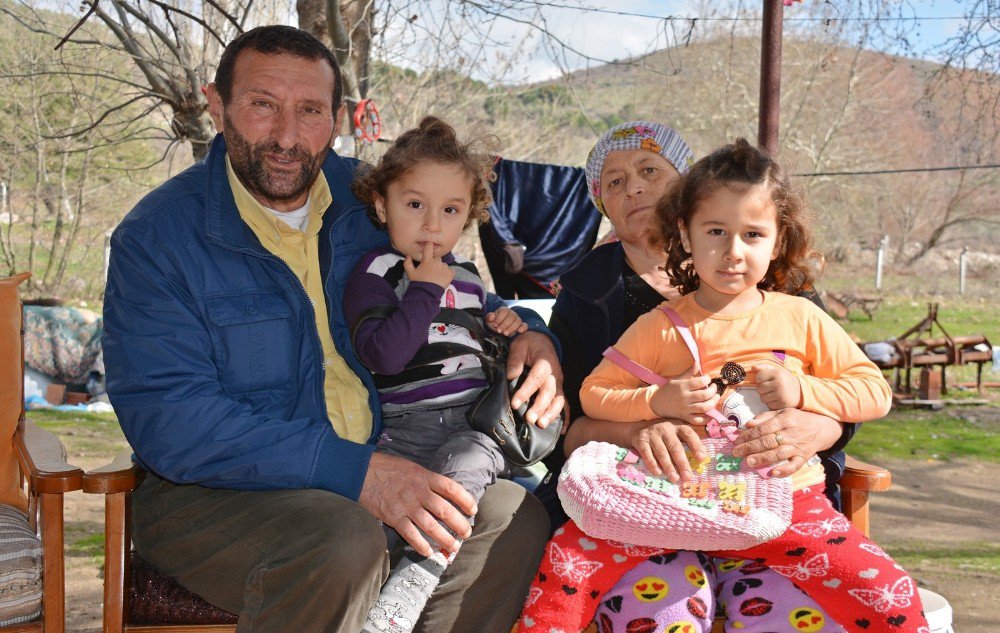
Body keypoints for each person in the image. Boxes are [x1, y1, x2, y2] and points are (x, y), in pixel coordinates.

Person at [102, 26, 563, 633]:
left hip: (396, 450)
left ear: (340, 117)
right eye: (263, 105)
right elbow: (172, 422)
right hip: (214, 491)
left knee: (509, 515)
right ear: (217, 105)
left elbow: (461, 285)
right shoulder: (158, 239)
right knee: (341, 542)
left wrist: (533, 335)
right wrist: (355, 473)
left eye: (311, 111)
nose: (287, 137)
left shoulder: (373, 203)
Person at [518, 139, 927, 633]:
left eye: (753, 234)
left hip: (785, 500)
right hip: (671, 501)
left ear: (777, 242)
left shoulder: (798, 314)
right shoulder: (656, 323)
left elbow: (872, 390)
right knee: (572, 565)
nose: (733, 252)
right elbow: (592, 395)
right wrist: (655, 400)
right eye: (715, 232)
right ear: (686, 235)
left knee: (891, 594)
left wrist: (804, 394)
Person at [536, 122, 856, 534]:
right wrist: (638, 430)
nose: (633, 188)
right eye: (614, 181)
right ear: (603, 204)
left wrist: (825, 427)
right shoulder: (585, 291)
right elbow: (570, 426)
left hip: (776, 491)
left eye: (650, 170)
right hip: (640, 499)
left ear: (685, 184)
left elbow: (849, 382)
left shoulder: (776, 276)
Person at [344, 116, 533, 633]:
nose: (432, 225)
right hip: (404, 428)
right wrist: (425, 290)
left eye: (449, 210)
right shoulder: (375, 272)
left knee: (467, 475)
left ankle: (414, 585)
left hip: (474, 426)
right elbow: (384, 355)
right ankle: (379, 600)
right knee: (380, 529)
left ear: (466, 217)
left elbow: (480, 337)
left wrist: (509, 325)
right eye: (415, 205)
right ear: (382, 206)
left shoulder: (470, 276)